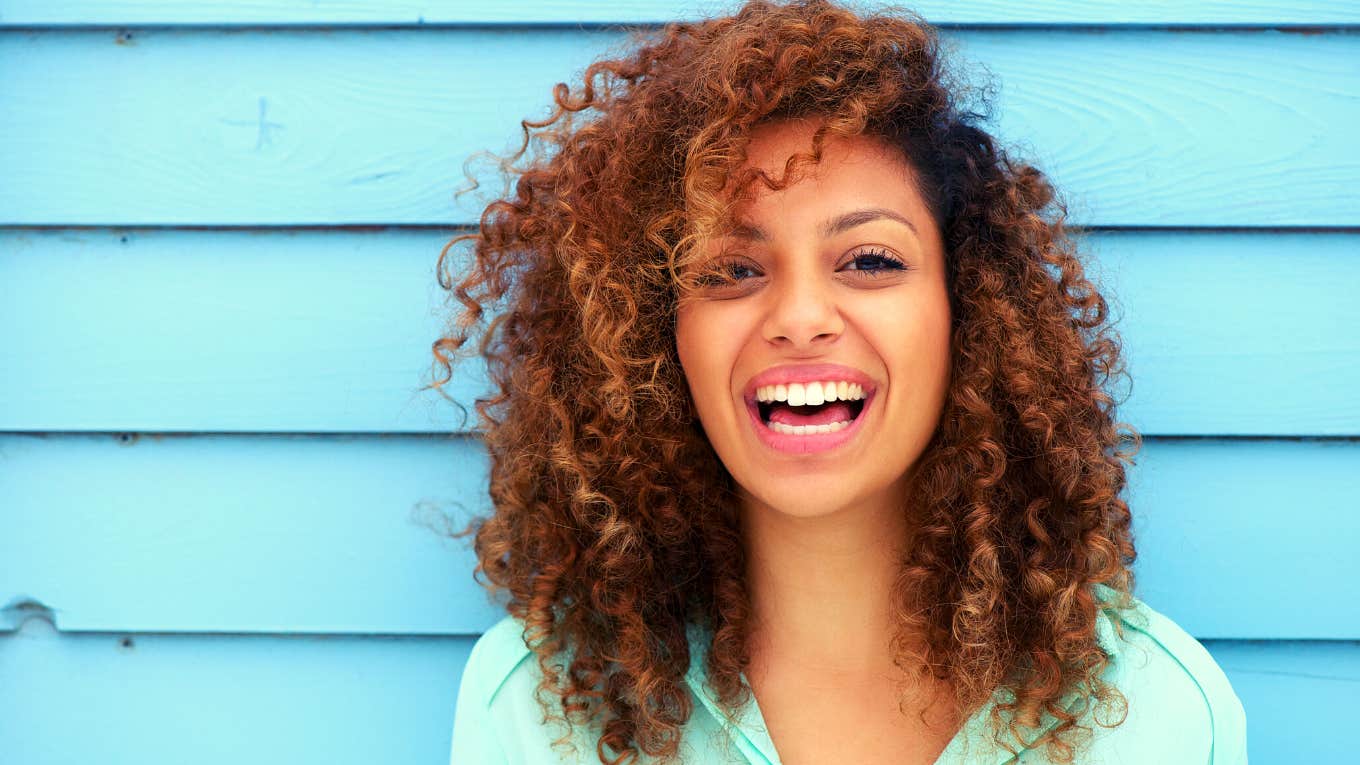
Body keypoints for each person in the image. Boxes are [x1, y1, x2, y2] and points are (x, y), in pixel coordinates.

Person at [434, 1, 1247, 763]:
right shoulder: (541, 706)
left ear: (967, 311)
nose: (799, 316)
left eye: (869, 260)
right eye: (731, 269)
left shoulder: (1155, 711)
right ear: (654, 337)